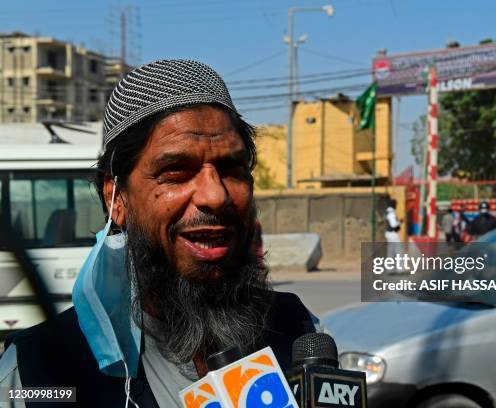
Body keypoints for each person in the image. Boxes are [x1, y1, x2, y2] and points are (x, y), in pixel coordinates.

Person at [0, 60, 317, 407]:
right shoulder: (33, 373)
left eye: (231, 169)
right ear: (116, 198)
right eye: (176, 172)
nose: (215, 196)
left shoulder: (302, 333)